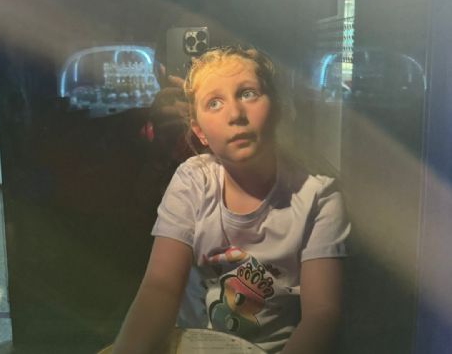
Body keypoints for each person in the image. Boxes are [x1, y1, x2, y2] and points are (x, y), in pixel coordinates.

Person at [112, 46, 350, 354]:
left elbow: (321, 313)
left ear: (277, 108)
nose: (235, 115)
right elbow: (160, 287)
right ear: (199, 131)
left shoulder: (318, 196)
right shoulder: (193, 180)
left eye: (248, 93)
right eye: (214, 103)